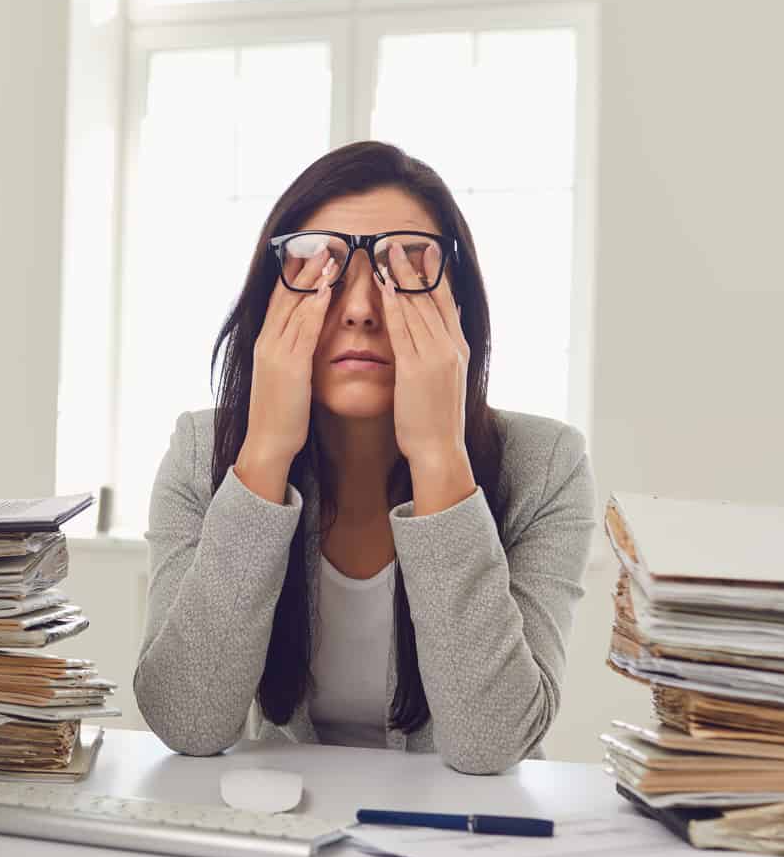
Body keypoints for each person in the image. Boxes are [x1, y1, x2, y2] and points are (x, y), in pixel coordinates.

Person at [133, 140, 596, 774]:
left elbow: (491, 745)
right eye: (318, 267)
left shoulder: (547, 466)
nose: (358, 310)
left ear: (458, 306)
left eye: (404, 271)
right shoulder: (198, 453)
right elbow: (186, 721)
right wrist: (265, 453)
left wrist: (438, 455)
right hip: (283, 844)